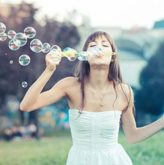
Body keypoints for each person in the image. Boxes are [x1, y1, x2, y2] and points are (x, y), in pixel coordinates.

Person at [20, 31, 164, 165]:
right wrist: (49, 70)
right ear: (85, 55)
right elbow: (26, 105)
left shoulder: (124, 91)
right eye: (93, 45)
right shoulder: (69, 85)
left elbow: (133, 136)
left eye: (105, 45)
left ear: (113, 56)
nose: (98, 48)